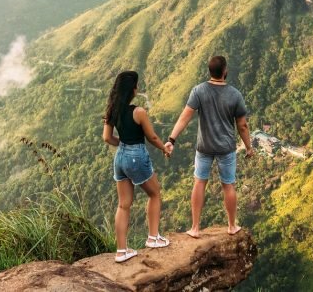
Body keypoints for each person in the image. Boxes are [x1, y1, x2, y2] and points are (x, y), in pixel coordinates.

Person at [167, 55, 254, 237]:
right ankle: (231, 226)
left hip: (204, 147)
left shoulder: (199, 91)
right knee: (228, 185)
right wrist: (249, 147)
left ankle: (195, 228)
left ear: (209, 71)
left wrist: (171, 139)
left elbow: (185, 117)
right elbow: (242, 125)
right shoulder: (235, 94)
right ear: (225, 71)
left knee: (199, 182)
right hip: (226, 148)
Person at [102, 70, 174, 262]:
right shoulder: (138, 112)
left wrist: (123, 144)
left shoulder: (112, 110)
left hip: (120, 158)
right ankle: (153, 237)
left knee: (123, 204)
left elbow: (107, 138)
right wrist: (164, 149)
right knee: (155, 193)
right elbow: (152, 137)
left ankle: (121, 251)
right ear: (132, 90)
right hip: (136, 156)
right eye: (136, 85)